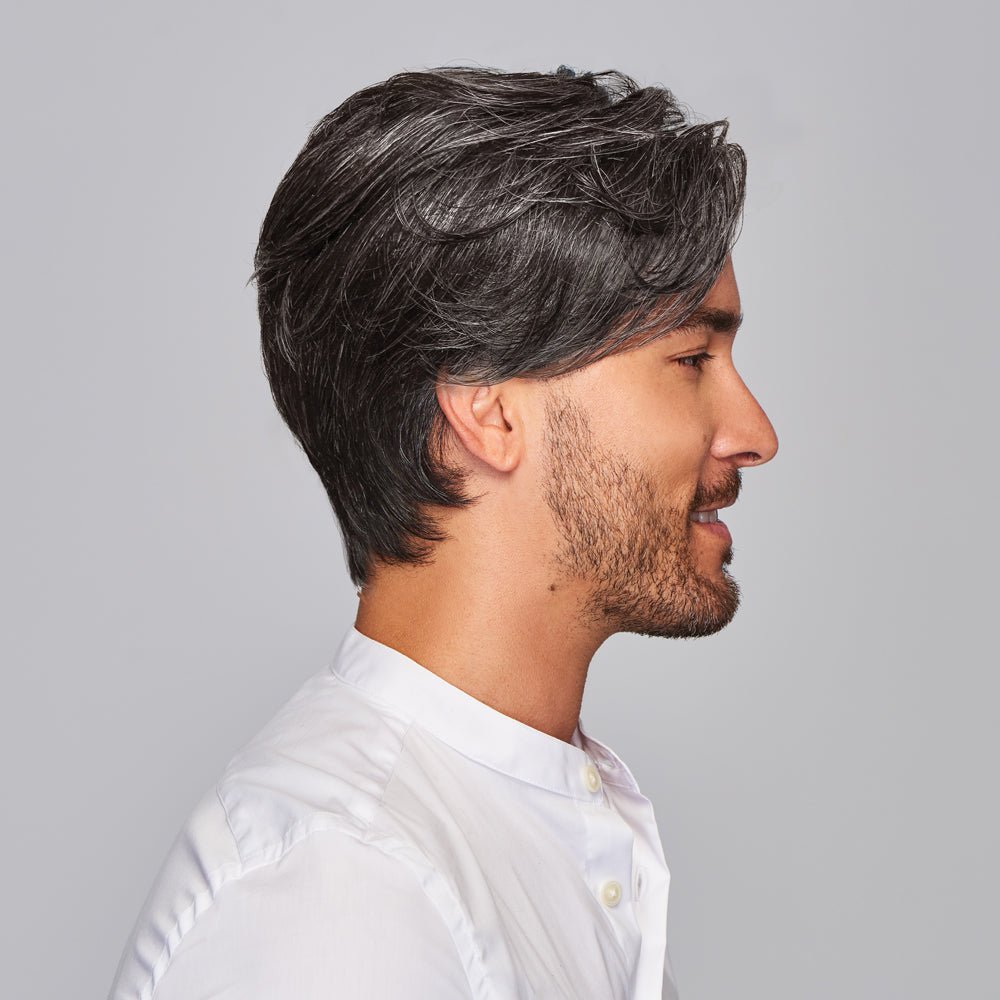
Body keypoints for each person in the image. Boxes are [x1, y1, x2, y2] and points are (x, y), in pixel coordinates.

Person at [109, 64, 778, 1000]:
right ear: (486, 409)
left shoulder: (505, 830)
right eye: (692, 359)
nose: (756, 435)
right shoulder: (344, 895)